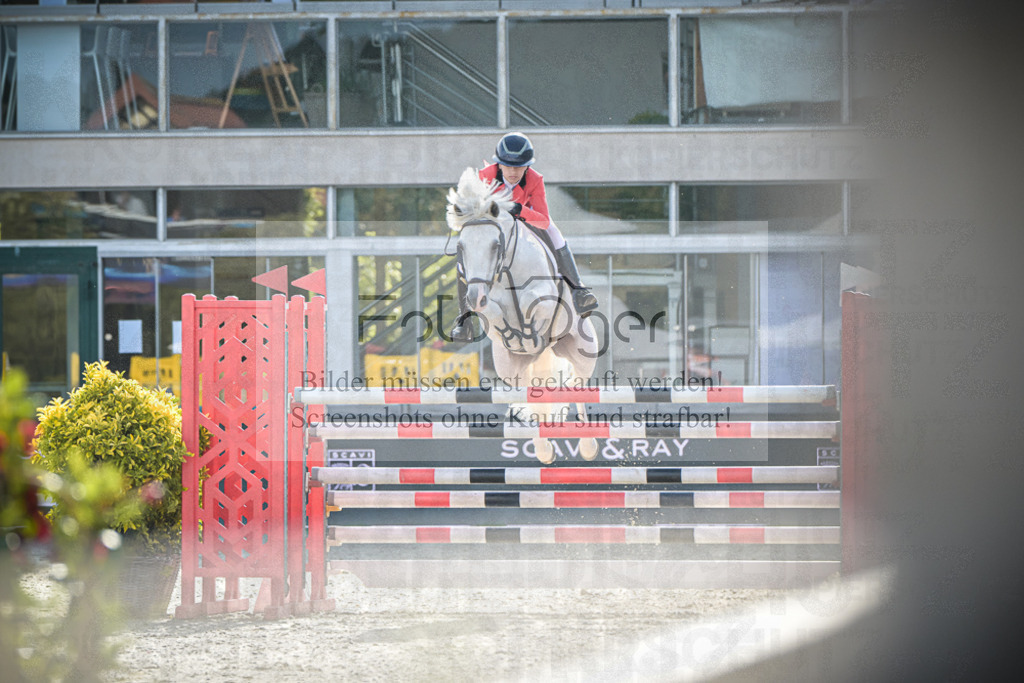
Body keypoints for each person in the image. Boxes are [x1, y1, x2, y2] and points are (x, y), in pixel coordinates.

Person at [450, 132, 599, 343]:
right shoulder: (485, 176)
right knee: (467, 253)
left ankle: (578, 290)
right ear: (499, 164)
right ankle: (464, 319)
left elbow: (543, 220)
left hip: (525, 218)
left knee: (554, 232)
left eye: (519, 166)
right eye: (508, 166)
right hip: (494, 224)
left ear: (527, 166)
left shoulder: (535, 180)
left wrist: (519, 210)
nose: (513, 171)